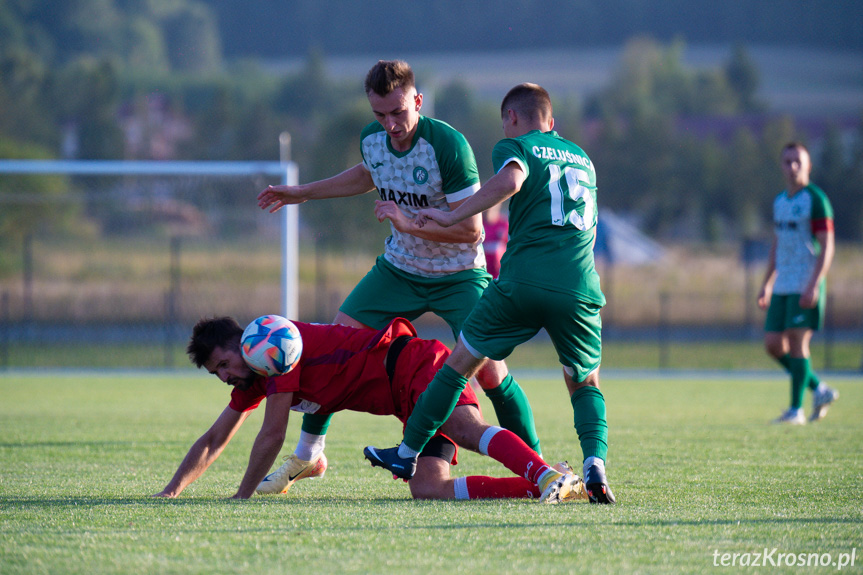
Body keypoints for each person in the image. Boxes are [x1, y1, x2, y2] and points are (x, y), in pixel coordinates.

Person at [256, 60, 541, 470]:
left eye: (398, 112)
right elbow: (367, 174)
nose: (390, 124)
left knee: (491, 373)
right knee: (337, 346)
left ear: (418, 102)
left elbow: (471, 233)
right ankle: (309, 454)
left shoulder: (448, 145)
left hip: (459, 275)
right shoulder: (373, 138)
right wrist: (302, 193)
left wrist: (409, 224)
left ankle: (540, 466)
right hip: (399, 270)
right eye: (380, 114)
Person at [364, 83, 615, 504]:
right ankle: (595, 466)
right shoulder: (584, 160)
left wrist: (451, 213)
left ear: (511, 119)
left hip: (523, 282)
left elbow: (512, 181)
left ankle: (406, 453)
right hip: (580, 287)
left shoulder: (515, 146)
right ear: (552, 122)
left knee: (459, 365)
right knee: (585, 383)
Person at [152, 316, 584, 503]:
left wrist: (242, 496)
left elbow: (271, 434)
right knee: (429, 489)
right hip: (403, 399)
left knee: (469, 429)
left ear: (243, 345)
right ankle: (543, 485)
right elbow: (215, 438)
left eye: (224, 365)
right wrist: (173, 489)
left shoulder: (272, 343)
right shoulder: (255, 374)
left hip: (415, 367)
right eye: (217, 374)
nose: (225, 377)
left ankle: (544, 473)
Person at [757, 142, 837, 424]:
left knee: (796, 340)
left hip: (805, 280)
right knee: (772, 344)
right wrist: (767, 282)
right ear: (781, 165)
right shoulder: (780, 201)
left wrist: (814, 284)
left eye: (798, 162)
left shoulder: (816, 200)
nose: (792, 167)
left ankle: (795, 410)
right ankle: (820, 389)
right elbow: (777, 244)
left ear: (808, 166)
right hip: (782, 283)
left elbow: (827, 246)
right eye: (787, 161)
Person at [482, 203, 509, 279]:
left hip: (499, 266)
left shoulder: (504, 224)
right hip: (483, 265)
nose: (489, 209)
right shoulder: (478, 226)